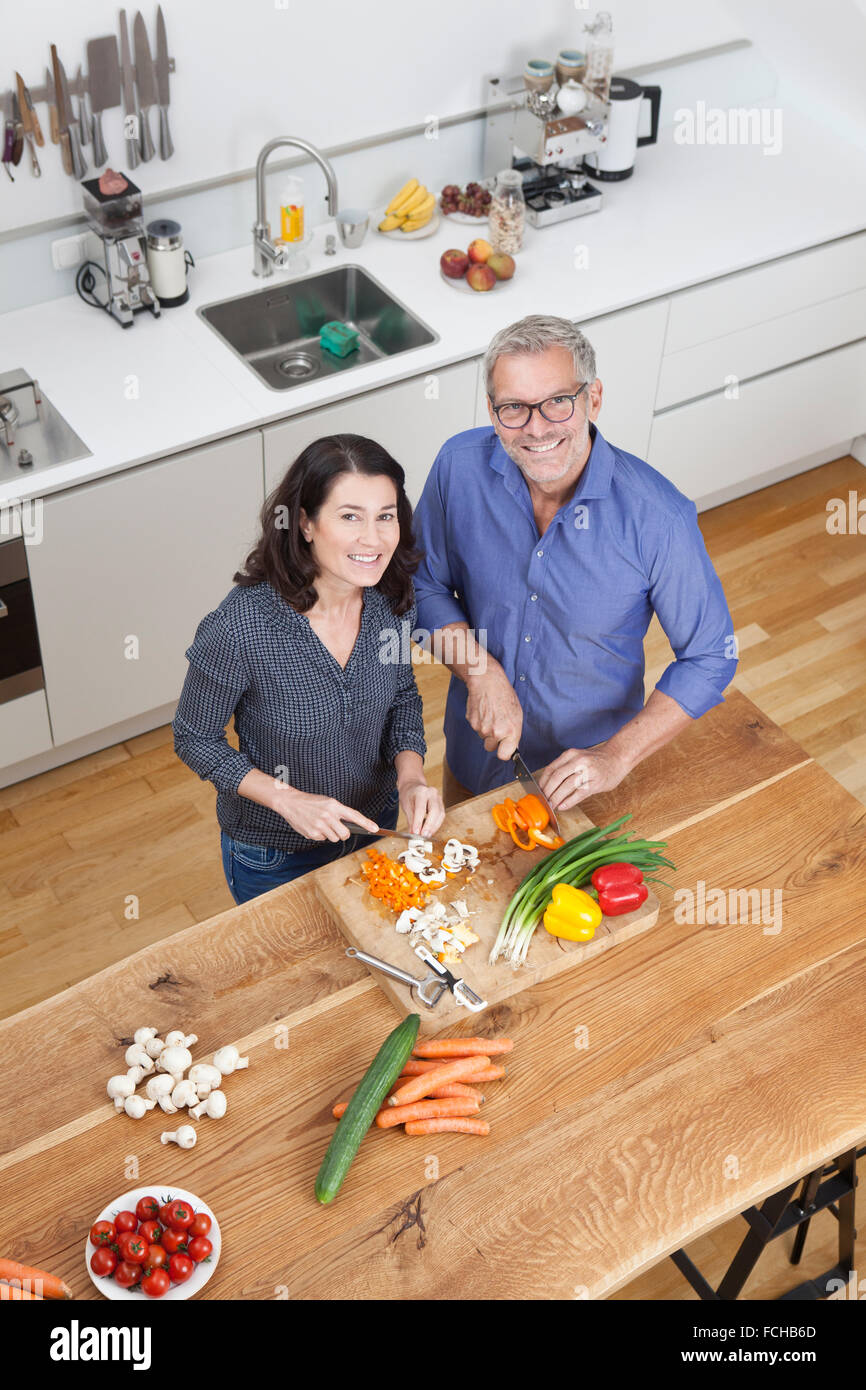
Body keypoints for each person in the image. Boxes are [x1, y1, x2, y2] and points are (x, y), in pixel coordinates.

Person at [412, 314, 737, 810]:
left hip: (587, 784)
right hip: (472, 761)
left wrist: (615, 757)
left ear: (594, 399)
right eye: (514, 408)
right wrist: (480, 672)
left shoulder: (659, 518)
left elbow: (711, 655)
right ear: (492, 410)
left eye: (558, 403)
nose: (536, 428)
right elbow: (421, 581)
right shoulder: (457, 468)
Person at [173, 433, 444, 904]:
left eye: (386, 516)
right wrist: (287, 799)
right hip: (275, 854)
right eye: (349, 517)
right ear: (305, 523)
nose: (373, 538)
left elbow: (401, 696)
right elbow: (194, 738)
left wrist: (412, 778)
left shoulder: (391, 600)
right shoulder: (242, 626)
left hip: (374, 827)